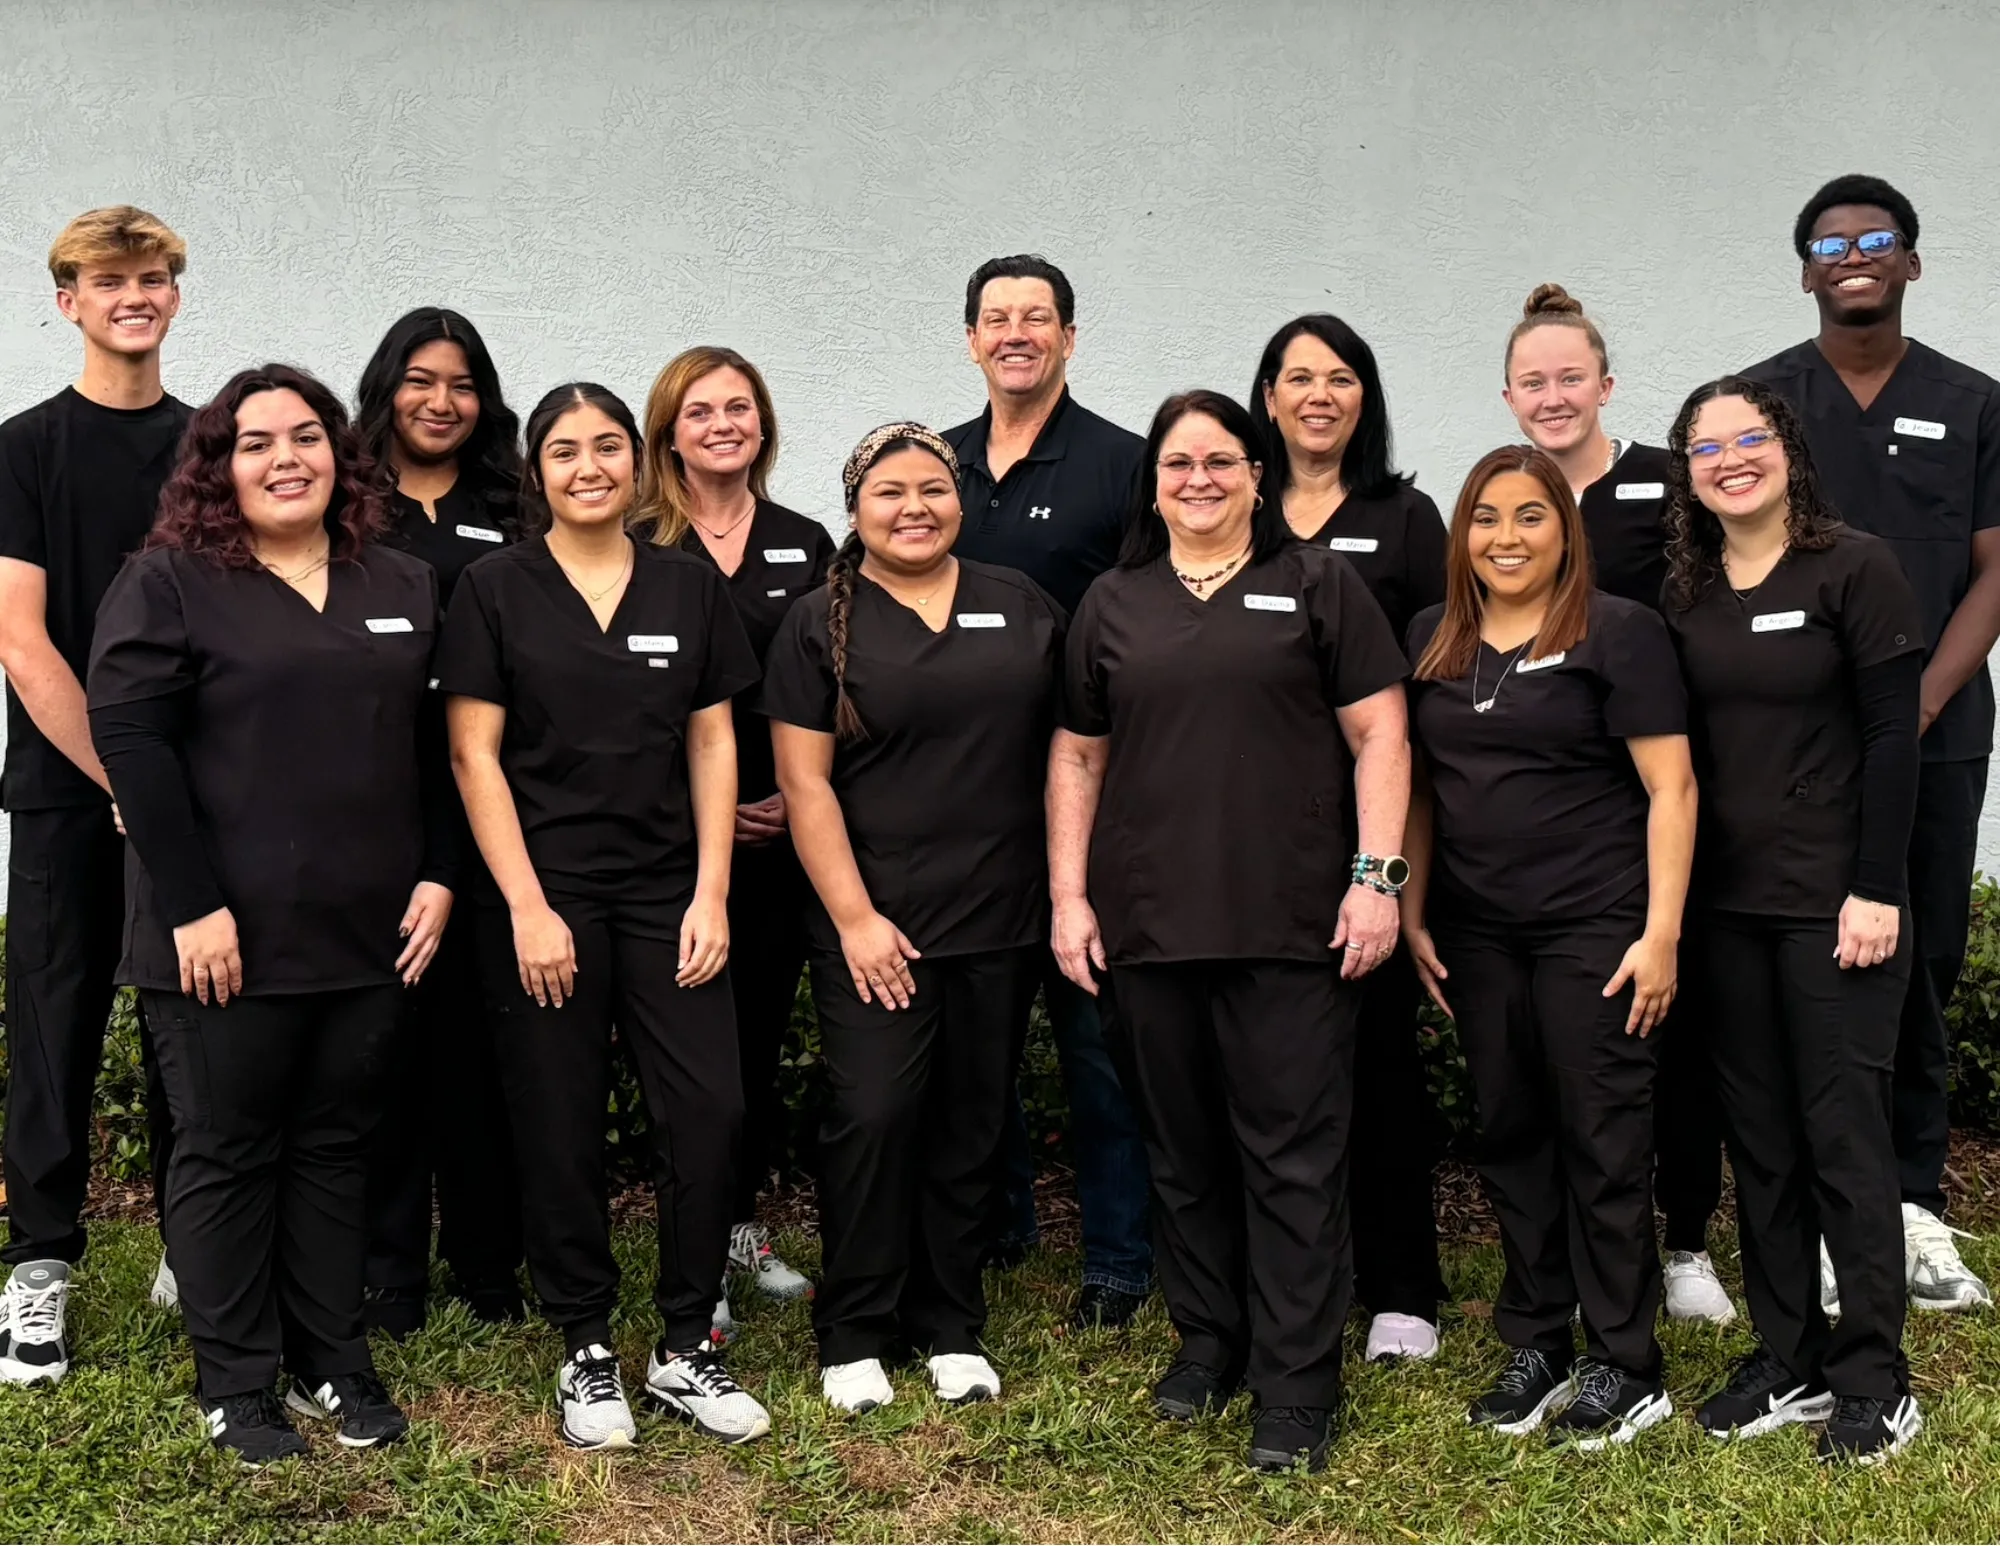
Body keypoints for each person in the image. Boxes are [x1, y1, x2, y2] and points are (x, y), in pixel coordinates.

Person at [86, 364, 450, 1464]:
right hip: (222, 935)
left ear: (340, 455)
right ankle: (237, 1381)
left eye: (306, 436)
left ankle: (331, 1357)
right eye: (255, 443)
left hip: (369, 927)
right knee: (227, 1148)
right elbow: (134, 746)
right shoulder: (168, 583)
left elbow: (433, 750)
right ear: (217, 465)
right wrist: (194, 906)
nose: (285, 457)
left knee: (336, 1147)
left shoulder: (400, 580)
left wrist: (438, 872)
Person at [1048, 389, 1409, 1473]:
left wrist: (1376, 878)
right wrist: (1068, 896)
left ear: (1257, 474)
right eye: (1175, 464)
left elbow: (1380, 732)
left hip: (1291, 923)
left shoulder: (1315, 584)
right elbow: (1075, 755)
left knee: (1290, 1158)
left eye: (1218, 461)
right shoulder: (1112, 603)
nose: (1196, 480)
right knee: (1182, 1149)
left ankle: (1295, 1385)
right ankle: (1210, 1339)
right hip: (1146, 922)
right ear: (1150, 485)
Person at [437, 382, 768, 1452]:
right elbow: (470, 754)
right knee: (558, 1119)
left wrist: (712, 889)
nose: (589, 465)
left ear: (637, 462)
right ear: (536, 470)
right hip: (546, 897)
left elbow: (714, 742)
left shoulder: (685, 586)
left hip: (670, 891)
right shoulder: (493, 587)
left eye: (608, 446)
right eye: (565, 449)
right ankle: (584, 1340)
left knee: (707, 1113)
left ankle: (683, 1344)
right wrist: (528, 906)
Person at [1402, 446, 1696, 1450]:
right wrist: (1405, 909)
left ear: (1563, 530)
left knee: (1601, 1137)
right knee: (1512, 1133)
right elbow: (1420, 791)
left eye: (1530, 516)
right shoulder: (1431, 639)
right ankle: (1536, 1336)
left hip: (1595, 927)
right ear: (1461, 535)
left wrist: (1659, 935)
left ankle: (1626, 1359)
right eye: (1486, 518)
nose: (1507, 537)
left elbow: (1670, 789)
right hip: (1479, 933)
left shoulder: (1620, 632)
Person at [764, 422, 1060, 1415]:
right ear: (855, 508)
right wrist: (853, 919)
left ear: (959, 499)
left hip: (998, 916)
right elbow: (803, 786)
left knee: (969, 1124)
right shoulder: (817, 622)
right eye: (888, 491)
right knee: (875, 1114)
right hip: (874, 922)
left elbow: (1071, 746)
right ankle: (853, 1329)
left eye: (931, 487)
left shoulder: (1017, 606)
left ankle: (947, 1323)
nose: (913, 507)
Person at [1744, 175, 2000, 1314]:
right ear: (1803, 269)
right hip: (1795, 749)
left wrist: (1921, 699)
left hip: (1933, 734)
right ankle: (1807, 1210)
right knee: (1795, 970)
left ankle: (1910, 1209)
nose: (1852, 255)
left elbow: (1994, 570)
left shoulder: (1974, 401)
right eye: (1829, 242)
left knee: (1921, 964)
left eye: (1875, 239)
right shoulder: (1759, 401)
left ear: (1908, 262)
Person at [1663, 376, 1927, 1464]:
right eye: (1704, 445)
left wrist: (1876, 887)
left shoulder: (1853, 567)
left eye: (1748, 437)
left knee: (1840, 1139)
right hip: (1724, 913)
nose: (1729, 457)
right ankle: (1791, 1353)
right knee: (1759, 1143)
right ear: (1684, 473)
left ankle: (1874, 1375)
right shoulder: (1684, 588)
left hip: (1833, 910)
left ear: (1786, 448)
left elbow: (1890, 740)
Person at [1500, 285, 1731, 1325]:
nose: (1553, 397)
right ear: (1506, 396)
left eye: (1569, 377)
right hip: (1558, 817)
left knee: (1671, 1022)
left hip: (1663, 786)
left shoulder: (1666, 485)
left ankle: (1682, 1241)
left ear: (1605, 383)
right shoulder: (1509, 505)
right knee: (1574, 1046)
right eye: (1532, 381)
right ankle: (1569, 1244)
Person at [943, 253, 1153, 1329]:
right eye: (996, 317)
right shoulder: (932, 466)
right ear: (969, 338)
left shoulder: (1123, 466)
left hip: (1092, 799)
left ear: (1070, 337)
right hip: (962, 807)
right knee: (976, 1034)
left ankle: (1119, 1259)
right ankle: (997, 1221)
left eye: (1037, 317)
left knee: (1096, 1041)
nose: (1015, 332)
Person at [0, 206, 188, 1385]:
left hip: (197, 786)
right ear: (67, 299)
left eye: (152, 276)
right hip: (68, 788)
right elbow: (22, 638)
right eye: (107, 278)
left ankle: (195, 1241)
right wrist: (122, 779)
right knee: (56, 1020)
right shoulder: (23, 449)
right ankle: (42, 1266)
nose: (134, 294)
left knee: (191, 1019)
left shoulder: (212, 445)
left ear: (175, 294)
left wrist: (172, 786)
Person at [1249, 312, 1449, 1364]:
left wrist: (1398, 872)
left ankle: (1402, 1289)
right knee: (1267, 1076)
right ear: (1267, 397)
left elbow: (1422, 701)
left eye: (1338, 378)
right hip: (1250, 840)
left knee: (1374, 1065)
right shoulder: (1230, 511)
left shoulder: (1403, 516)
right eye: (1296, 378)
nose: (1316, 395)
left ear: (1360, 398)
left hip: (1366, 832)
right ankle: (1291, 1279)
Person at [636, 346, 833, 1339]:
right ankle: (691, 1236)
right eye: (701, 409)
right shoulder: (631, 541)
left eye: (741, 407)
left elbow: (839, 686)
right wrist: (705, 805)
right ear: (666, 429)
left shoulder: (805, 543)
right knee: (686, 1058)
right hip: (662, 845)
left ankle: (739, 1227)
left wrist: (797, 803)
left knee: (752, 1044)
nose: (724, 423)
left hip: (781, 839)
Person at [352, 306, 526, 1337]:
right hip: (372, 791)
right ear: (387, 387)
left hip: (490, 791)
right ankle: (386, 1273)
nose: (441, 401)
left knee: (479, 1043)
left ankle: (487, 1260)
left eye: (461, 384)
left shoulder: (509, 507)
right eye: (421, 380)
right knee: (380, 1043)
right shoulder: (346, 501)